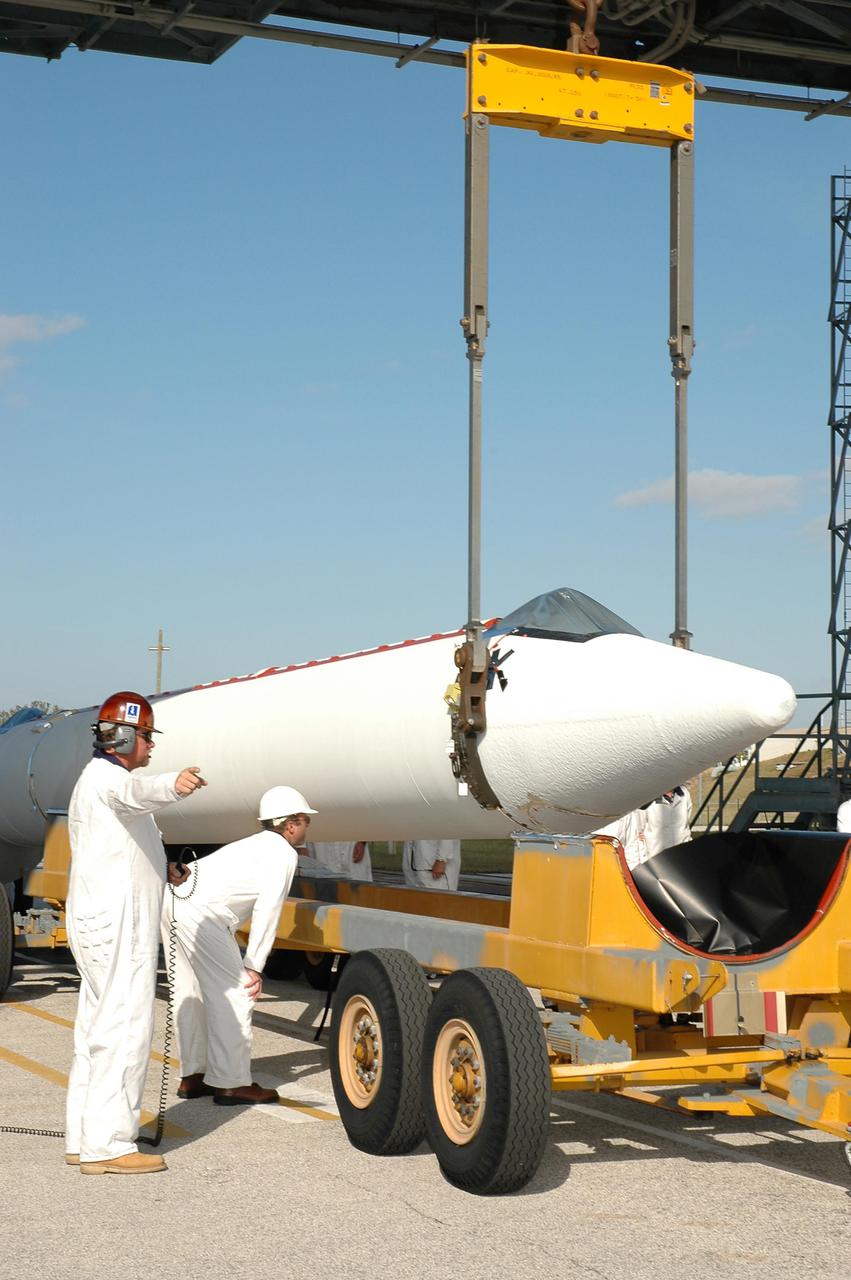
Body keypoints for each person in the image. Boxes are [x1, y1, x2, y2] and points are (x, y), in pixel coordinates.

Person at [65, 691, 206, 1176]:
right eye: (146, 736)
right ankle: (109, 1145)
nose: (151, 746)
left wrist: (162, 867)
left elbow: (123, 840)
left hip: (101, 921)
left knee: (95, 1028)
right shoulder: (111, 781)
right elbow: (137, 794)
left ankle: (83, 1137)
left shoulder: (96, 781)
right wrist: (175, 785)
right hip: (118, 925)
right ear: (124, 735)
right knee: (123, 1028)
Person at [166, 785, 316, 1106]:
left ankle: (194, 1075)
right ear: (290, 824)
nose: (307, 827)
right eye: (304, 820)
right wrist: (254, 967)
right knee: (236, 993)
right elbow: (268, 910)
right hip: (203, 914)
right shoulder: (283, 854)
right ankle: (231, 1083)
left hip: (175, 902)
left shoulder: (253, 844)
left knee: (189, 992)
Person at [643, 786, 693, 856]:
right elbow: (639, 831)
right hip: (658, 858)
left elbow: (686, 824)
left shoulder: (684, 793)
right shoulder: (648, 796)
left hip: (682, 855)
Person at [304, 840, 372, 882]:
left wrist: (362, 841)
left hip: (352, 841)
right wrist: (301, 846)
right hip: (321, 843)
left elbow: (369, 817)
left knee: (359, 890)